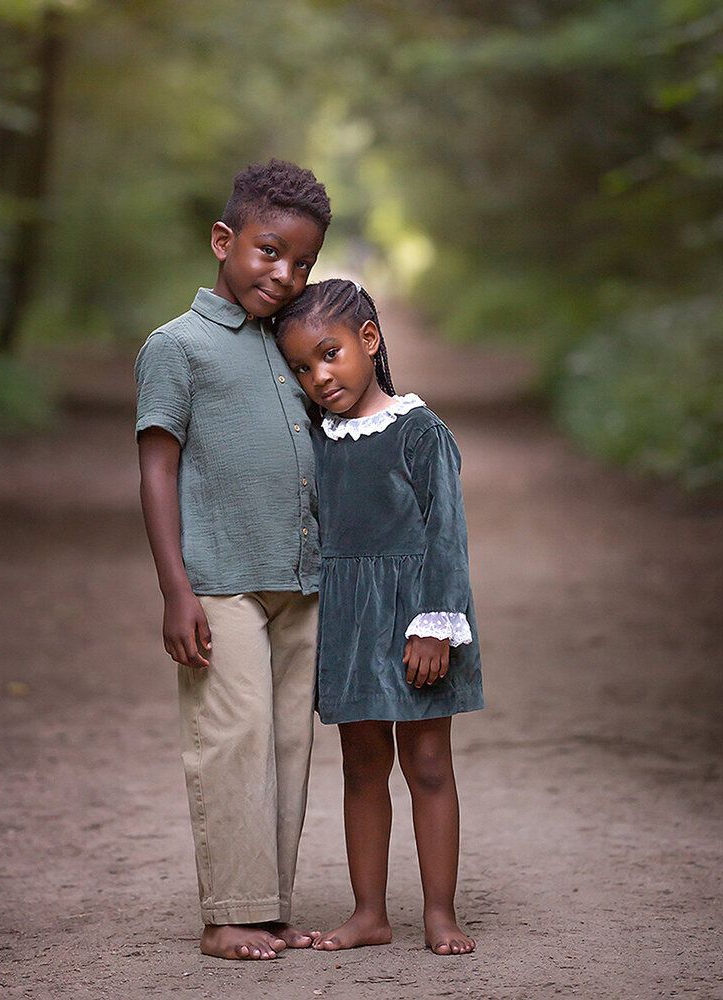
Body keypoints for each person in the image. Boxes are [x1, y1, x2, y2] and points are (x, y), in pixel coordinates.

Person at [134, 160, 331, 961]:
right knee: (232, 739)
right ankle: (226, 915)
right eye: (268, 251)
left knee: (287, 746)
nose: (284, 275)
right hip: (220, 582)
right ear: (224, 240)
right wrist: (174, 589)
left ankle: (269, 907)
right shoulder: (176, 347)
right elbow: (157, 468)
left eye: (303, 264)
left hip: (301, 581)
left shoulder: (291, 342)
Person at [274, 278, 484, 955]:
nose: (319, 376)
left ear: (369, 340)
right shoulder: (319, 438)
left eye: (330, 354)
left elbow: (446, 533)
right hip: (350, 623)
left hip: (418, 619)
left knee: (427, 765)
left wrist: (434, 622)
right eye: (303, 367)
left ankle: (440, 913)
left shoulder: (420, 432)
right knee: (363, 767)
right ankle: (369, 912)